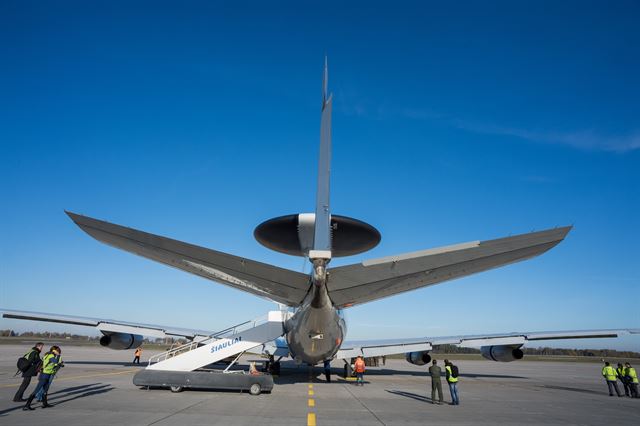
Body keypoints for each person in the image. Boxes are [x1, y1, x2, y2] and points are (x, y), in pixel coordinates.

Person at [23, 346, 64, 410]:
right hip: (44, 375)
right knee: (36, 390)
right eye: (57, 351)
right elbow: (55, 361)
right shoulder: (50, 356)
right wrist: (58, 356)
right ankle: (27, 405)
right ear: (54, 351)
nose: (59, 352)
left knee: (45, 390)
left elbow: (52, 364)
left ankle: (45, 403)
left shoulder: (49, 355)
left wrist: (59, 364)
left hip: (48, 374)